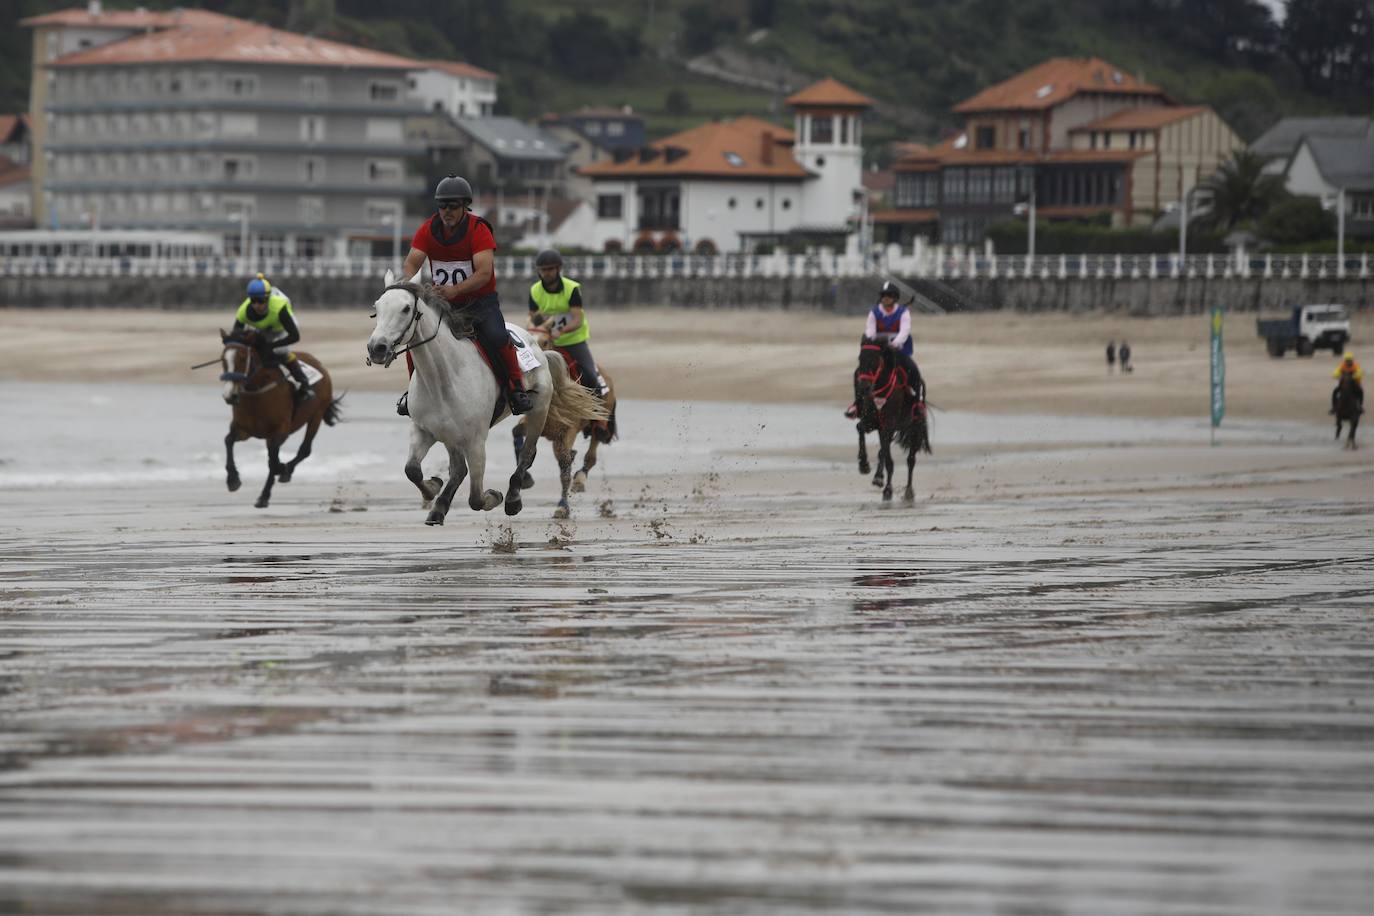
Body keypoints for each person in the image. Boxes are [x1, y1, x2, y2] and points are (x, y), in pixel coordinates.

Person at [395, 175, 531, 417]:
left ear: (465, 206)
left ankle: (516, 388)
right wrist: (405, 285)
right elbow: (412, 262)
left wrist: (455, 290)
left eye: (453, 206)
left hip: (480, 302)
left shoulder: (479, 229)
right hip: (443, 303)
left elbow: (484, 272)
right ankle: (412, 392)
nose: (447, 211)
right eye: (443, 206)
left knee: (498, 336)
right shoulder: (428, 229)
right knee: (415, 336)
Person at [527, 248, 606, 397]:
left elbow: (577, 319)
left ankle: (598, 416)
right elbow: (533, 319)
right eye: (543, 270)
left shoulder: (572, 289)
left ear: (558, 269)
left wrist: (561, 331)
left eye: (550, 269)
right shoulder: (534, 291)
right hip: (546, 342)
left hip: (573, 341)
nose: (547, 273)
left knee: (591, 376)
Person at [845, 281, 923, 419]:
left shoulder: (903, 312)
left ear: (895, 297)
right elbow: (870, 332)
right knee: (858, 373)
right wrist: (875, 344)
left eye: (889, 295)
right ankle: (857, 405)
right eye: (884, 295)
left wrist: (894, 344)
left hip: (898, 349)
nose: (886, 298)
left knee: (913, 370)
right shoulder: (874, 312)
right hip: (878, 349)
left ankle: (917, 404)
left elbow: (904, 332)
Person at [231, 273, 313, 403]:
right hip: (265, 328)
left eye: (261, 301)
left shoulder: (279, 308)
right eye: (253, 301)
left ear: (268, 299)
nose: (256, 305)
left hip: (283, 329)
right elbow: (235, 336)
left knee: (280, 351)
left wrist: (273, 346)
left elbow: (295, 337)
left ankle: (303, 383)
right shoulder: (243, 311)